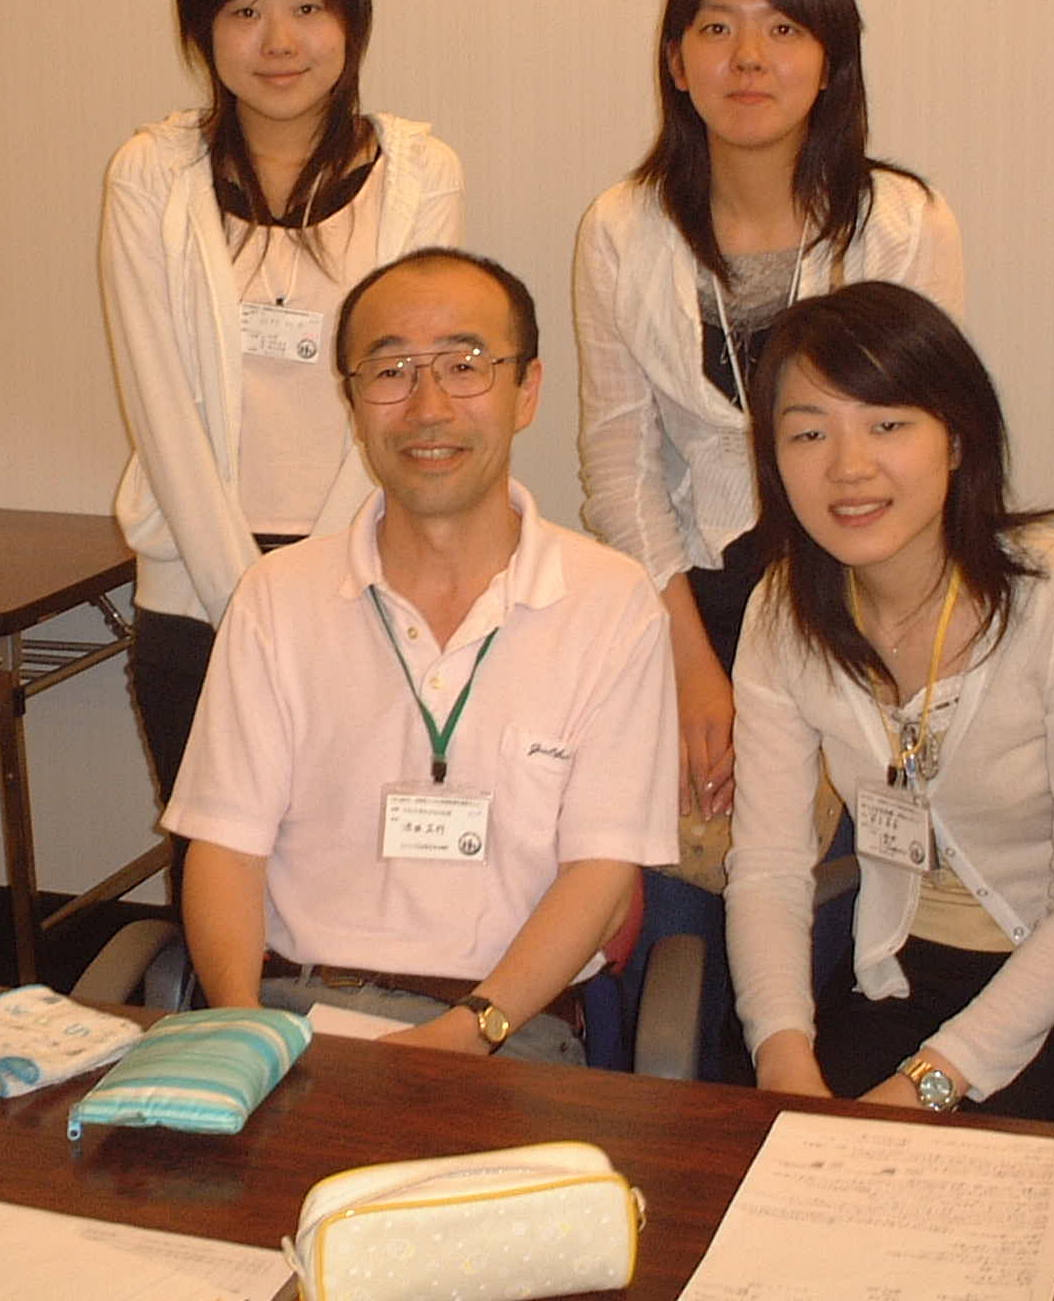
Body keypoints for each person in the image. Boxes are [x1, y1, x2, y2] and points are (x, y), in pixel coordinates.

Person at [572, 0, 965, 1070]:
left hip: (861, 606)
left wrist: (817, 647)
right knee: (684, 919)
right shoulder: (623, 229)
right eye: (717, 28)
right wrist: (691, 661)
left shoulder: (900, 223)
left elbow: (920, 450)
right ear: (675, 59)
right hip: (691, 603)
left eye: (784, 29)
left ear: (831, 59)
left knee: (833, 923)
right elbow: (617, 462)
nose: (749, 58)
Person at [164, 249, 678, 1064]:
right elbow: (225, 845)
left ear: (527, 391)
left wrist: (469, 1033)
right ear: (353, 403)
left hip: (510, 1032)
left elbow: (600, 870)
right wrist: (239, 1029)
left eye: (465, 366)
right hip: (290, 1014)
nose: (428, 406)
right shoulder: (277, 596)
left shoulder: (612, 605)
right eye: (391, 371)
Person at [726, 282, 1054, 1124]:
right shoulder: (781, 615)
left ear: (959, 438)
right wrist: (782, 1055)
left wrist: (926, 1087)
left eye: (888, 425)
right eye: (809, 433)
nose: (848, 466)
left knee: (953, 1178)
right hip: (904, 968)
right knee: (783, 1159)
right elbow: (767, 868)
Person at [101, 0, 462, 825]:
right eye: (245, 11)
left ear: (351, 21)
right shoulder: (151, 176)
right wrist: (250, 604)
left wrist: (321, 591)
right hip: (194, 591)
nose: (279, 42)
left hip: (372, 583)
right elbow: (159, 404)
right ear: (204, 30)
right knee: (215, 860)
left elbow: (409, 393)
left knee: (356, 863)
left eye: (307, 7)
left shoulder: (419, 176)